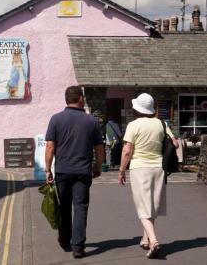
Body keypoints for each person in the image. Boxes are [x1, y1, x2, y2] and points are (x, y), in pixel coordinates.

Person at [44, 86, 105, 258]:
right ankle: (78, 246)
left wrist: (48, 169)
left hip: (62, 171)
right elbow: (99, 149)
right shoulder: (91, 121)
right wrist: (98, 166)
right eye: (83, 97)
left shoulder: (56, 119)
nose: (84, 100)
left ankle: (64, 240)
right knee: (80, 208)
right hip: (82, 172)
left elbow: (49, 147)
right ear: (79, 99)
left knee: (64, 207)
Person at [118, 93, 179, 259]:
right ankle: (145, 239)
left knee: (142, 207)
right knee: (151, 205)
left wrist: (122, 170)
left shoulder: (133, 125)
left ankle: (153, 241)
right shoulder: (161, 123)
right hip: (158, 167)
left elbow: (127, 150)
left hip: (140, 168)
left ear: (137, 108)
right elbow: (176, 143)